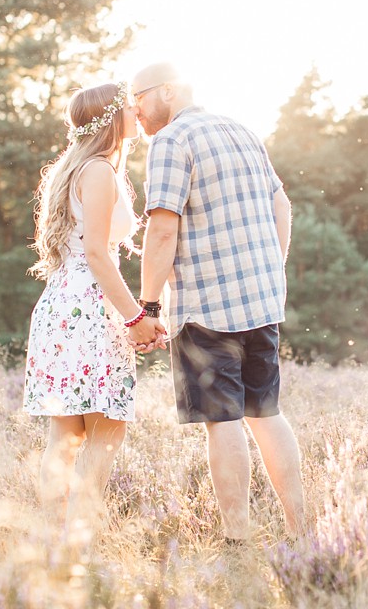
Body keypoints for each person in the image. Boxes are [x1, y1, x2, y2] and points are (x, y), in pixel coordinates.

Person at [132, 62, 307, 542]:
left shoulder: (171, 140)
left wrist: (147, 307)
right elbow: (281, 205)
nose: (136, 112)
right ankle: (300, 531)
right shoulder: (242, 130)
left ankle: (237, 539)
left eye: (139, 99)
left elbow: (163, 227)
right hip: (261, 300)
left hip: (208, 305)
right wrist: (275, 267)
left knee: (222, 420)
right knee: (266, 414)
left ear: (166, 91)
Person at [23, 82, 166, 530]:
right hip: (90, 307)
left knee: (65, 435)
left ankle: (54, 540)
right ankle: (79, 539)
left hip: (60, 307)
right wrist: (137, 317)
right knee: (105, 433)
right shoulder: (99, 171)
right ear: (110, 118)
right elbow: (98, 255)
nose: (136, 110)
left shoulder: (73, 168)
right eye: (128, 106)